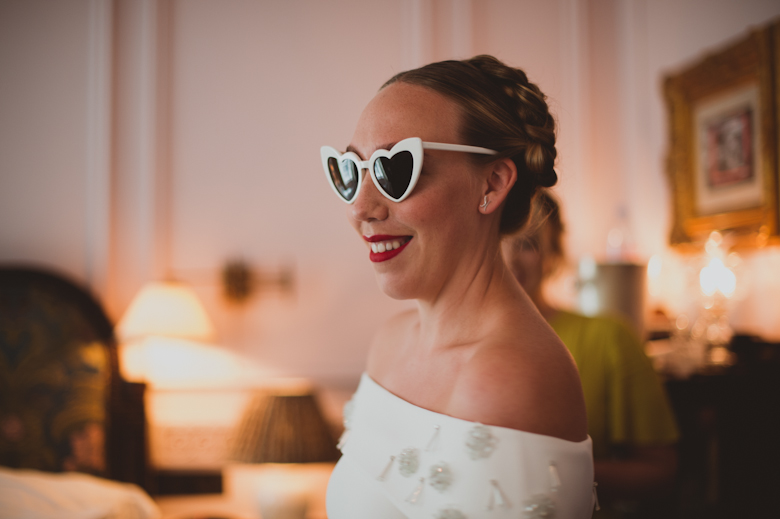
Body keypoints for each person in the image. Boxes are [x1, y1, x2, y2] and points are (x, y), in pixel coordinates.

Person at [322, 56, 596, 519]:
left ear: (492, 183)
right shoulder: (390, 342)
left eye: (395, 169)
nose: (361, 207)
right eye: (350, 171)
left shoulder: (508, 378)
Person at [502, 190, 679, 517]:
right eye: (497, 239)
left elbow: (660, 471)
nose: (510, 258)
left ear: (553, 254)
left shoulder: (610, 338)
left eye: (528, 243)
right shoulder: (451, 343)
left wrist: (556, 471)